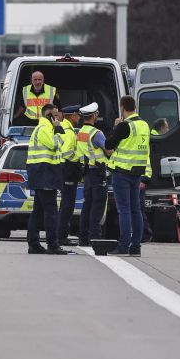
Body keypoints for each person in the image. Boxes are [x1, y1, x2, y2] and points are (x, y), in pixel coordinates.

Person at [105, 96, 150, 256]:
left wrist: (115, 126)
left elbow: (108, 144)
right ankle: (135, 247)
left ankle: (123, 246)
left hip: (122, 172)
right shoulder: (144, 125)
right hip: (137, 172)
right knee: (135, 209)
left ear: (122, 107)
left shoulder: (124, 126)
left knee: (123, 210)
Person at [26, 103, 68, 255]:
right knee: (51, 211)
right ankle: (52, 244)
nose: (58, 118)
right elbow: (54, 145)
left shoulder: (47, 128)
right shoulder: (44, 129)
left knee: (38, 210)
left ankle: (34, 244)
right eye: (55, 115)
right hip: (44, 172)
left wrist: (57, 130)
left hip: (44, 172)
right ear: (48, 115)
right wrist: (58, 129)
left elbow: (61, 145)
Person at [76, 103, 107, 246]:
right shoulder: (97, 133)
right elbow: (109, 150)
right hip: (98, 173)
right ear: (94, 115)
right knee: (98, 205)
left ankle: (83, 238)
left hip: (87, 172)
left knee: (87, 205)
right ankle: (95, 237)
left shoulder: (81, 132)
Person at [56, 105, 83, 246]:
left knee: (65, 204)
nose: (79, 118)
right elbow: (66, 153)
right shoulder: (69, 132)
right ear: (72, 116)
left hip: (63, 169)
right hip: (68, 169)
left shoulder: (63, 129)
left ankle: (60, 235)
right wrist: (78, 159)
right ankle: (61, 236)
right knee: (67, 205)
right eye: (77, 115)